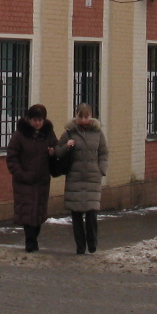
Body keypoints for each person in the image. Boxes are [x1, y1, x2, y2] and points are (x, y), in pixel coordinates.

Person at [56, 103, 108, 254]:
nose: (84, 120)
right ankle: (80, 246)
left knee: (92, 212)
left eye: (86, 116)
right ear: (76, 116)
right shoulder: (69, 132)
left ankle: (92, 243)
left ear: (91, 116)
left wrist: (101, 169)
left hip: (92, 178)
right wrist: (66, 146)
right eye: (81, 116)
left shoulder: (98, 133)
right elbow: (58, 151)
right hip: (75, 177)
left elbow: (104, 153)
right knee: (76, 214)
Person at [6, 103, 58, 252]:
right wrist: (20, 174)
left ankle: (34, 240)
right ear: (29, 119)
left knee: (39, 212)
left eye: (40, 120)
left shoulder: (48, 134)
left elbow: (57, 149)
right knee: (27, 212)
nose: (38, 123)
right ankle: (30, 242)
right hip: (24, 181)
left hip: (42, 180)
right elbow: (12, 157)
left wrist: (53, 153)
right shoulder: (19, 135)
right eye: (35, 120)